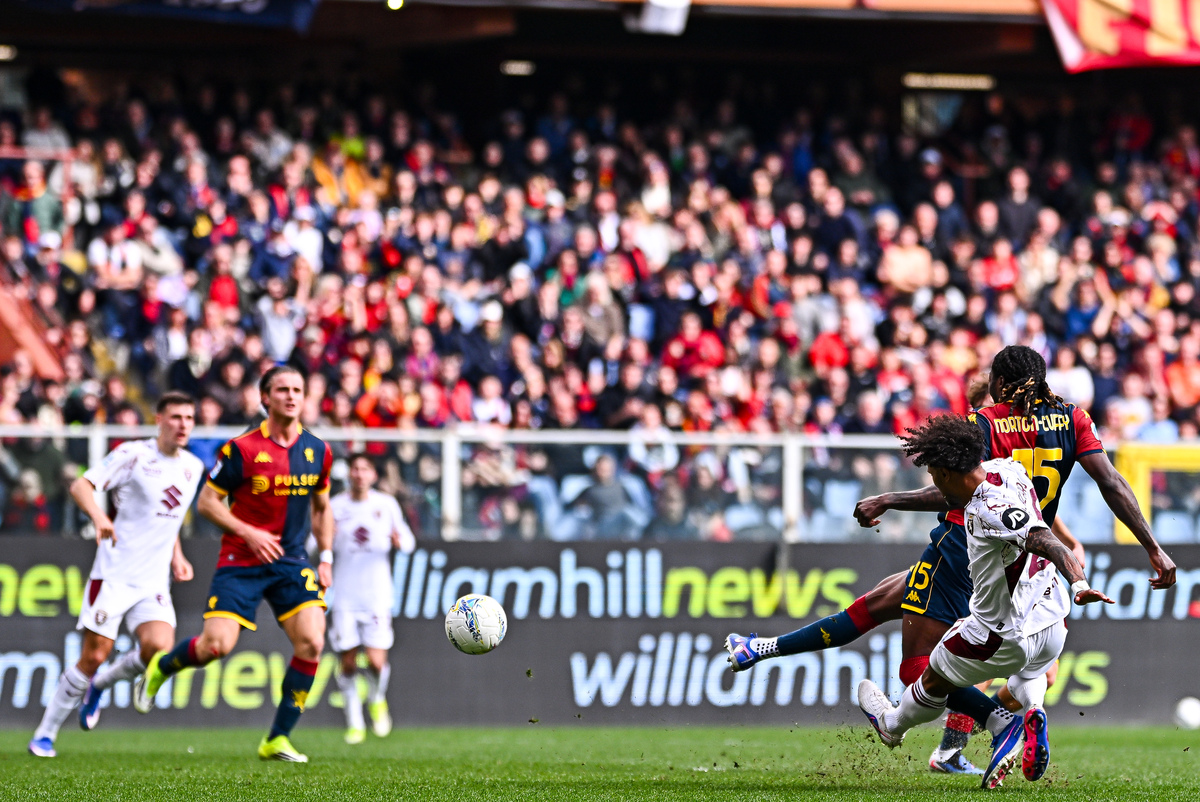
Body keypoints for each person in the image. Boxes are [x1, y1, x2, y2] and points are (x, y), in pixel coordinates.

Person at [724, 345, 1176, 773]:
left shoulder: (986, 423)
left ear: (1001, 385)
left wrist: (887, 499)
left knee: (915, 666)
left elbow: (957, 487)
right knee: (882, 602)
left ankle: (997, 721)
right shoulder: (1073, 418)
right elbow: (1110, 483)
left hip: (967, 544)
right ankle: (761, 648)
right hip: (1021, 556)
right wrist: (1152, 548)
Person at [857, 413, 1114, 789]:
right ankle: (1034, 710)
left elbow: (1044, 538)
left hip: (997, 636)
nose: (934, 484)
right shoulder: (1007, 469)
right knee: (1030, 672)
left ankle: (892, 725)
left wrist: (1078, 581)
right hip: (1051, 625)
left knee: (930, 678)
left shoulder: (987, 509)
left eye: (933, 475)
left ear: (945, 473)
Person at [136, 366, 334, 763]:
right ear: (265, 398)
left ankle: (276, 739)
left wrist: (326, 556)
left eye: (298, 389)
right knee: (215, 647)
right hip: (241, 559)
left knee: (312, 642)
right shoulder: (241, 449)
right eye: (282, 390)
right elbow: (208, 503)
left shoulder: (318, 451)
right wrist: (249, 533)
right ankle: (161, 666)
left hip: (292, 560)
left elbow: (323, 508)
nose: (292, 396)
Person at [29, 393, 202, 757]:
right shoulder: (133, 454)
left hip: (154, 581)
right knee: (93, 655)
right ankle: (44, 734)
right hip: (114, 575)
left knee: (160, 648)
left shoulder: (193, 467)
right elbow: (81, 485)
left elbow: (166, 522)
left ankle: (100, 687)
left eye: (189, 417)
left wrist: (178, 555)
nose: (183, 424)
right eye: (175, 417)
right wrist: (99, 516)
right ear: (158, 419)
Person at [329, 453, 415, 745]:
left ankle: (377, 699)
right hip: (343, 594)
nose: (360, 474)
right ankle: (354, 722)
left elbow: (407, 540)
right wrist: (325, 537)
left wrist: (399, 541)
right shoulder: (335, 506)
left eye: (365, 469)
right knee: (349, 661)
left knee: (377, 662)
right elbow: (313, 543)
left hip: (377, 594)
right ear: (349, 474)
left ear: (373, 476)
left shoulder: (386, 505)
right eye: (355, 469)